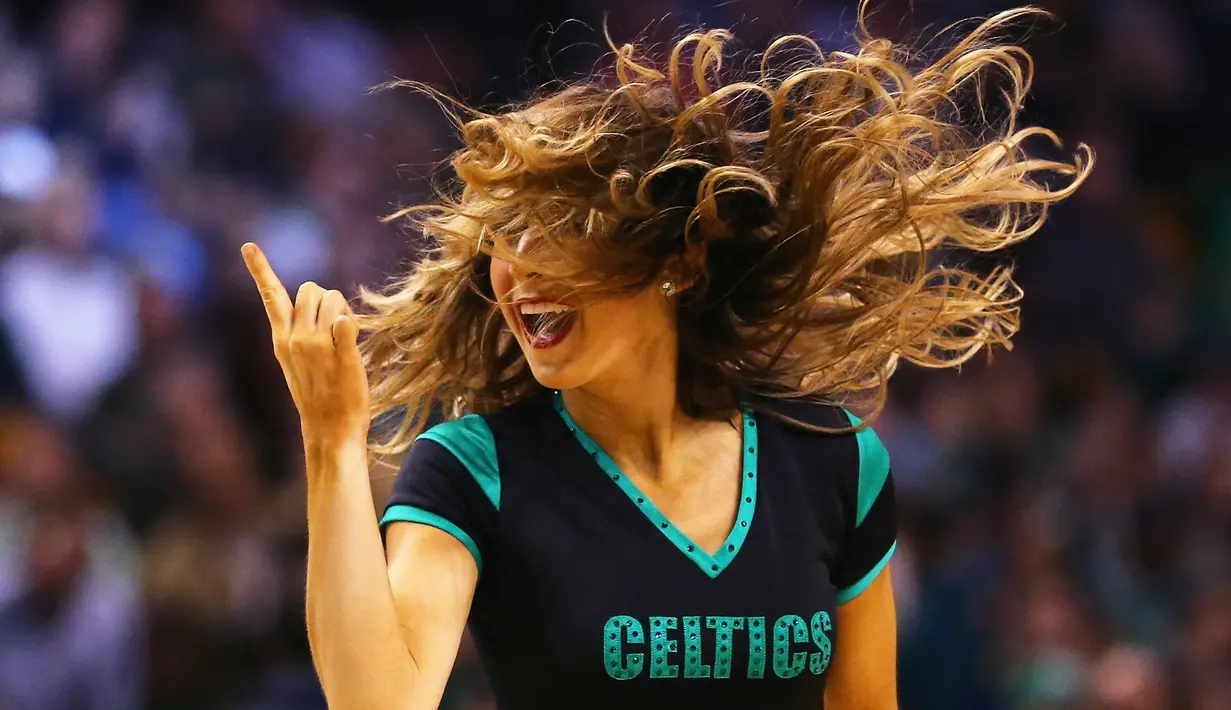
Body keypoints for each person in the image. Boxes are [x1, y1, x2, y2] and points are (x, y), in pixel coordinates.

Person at [241, 5, 1091, 709]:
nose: (518, 265)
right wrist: (331, 441)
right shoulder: (475, 469)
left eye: (560, 229)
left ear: (678, 261)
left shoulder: (833, 463)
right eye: (505, 233)